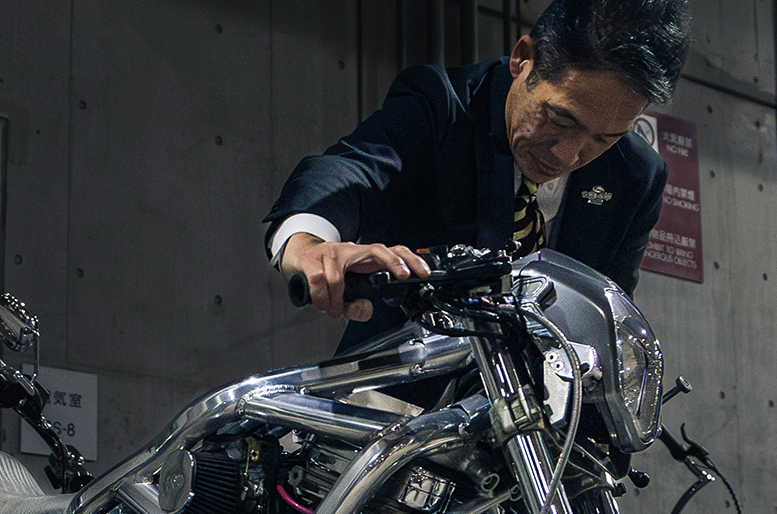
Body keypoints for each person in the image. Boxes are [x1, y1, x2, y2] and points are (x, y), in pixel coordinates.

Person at [265, 0, 691, 352]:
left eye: (604, 138)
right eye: (560, 119)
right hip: (400, 404)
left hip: (542, 431)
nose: (568, 155)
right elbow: (349, 171)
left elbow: (607, 315)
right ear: (523, 59)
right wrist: (307, 245)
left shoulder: (637, 176)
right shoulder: (442, 108)